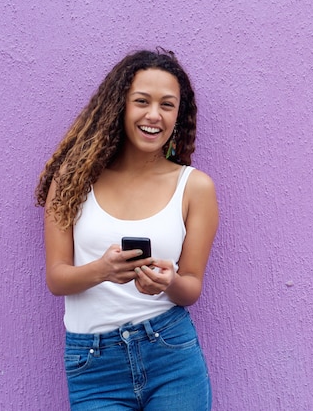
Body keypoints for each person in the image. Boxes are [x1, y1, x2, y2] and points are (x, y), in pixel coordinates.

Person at [35, 49, 219, 410]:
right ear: (119, 106)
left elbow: (191, 287)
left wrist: (169, 282)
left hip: (170, 354)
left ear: (178, 115)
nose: (154, 115)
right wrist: (101, 270)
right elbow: (57, 279)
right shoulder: (73, 181)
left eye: (167, 105)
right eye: (141, 101)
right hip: (92, 365)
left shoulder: (195, 188)